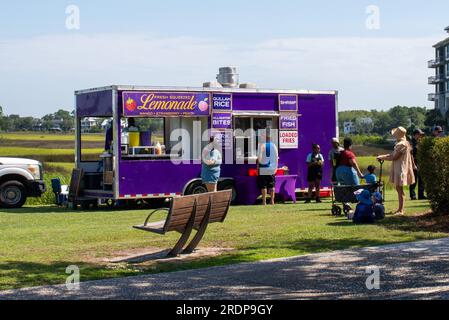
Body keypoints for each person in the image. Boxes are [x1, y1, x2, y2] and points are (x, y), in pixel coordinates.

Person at [377, 127, 415, 216]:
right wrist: (382, 156)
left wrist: (382, 158)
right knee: (399, 189)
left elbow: (394, 157)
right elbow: (392, 154)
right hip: (399, 167)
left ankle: (401, 210)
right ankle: (399, 209)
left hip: (400, 168)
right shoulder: (403, 143)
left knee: (399, 189)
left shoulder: (401, 144)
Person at [257, 131, 279, 206]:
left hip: (263, 168)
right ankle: (272, 201)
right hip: (272, 168)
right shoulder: (274, 146)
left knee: (264, 186)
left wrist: (258, 166)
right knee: (272, 185)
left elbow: (259, 157)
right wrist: (276, 167)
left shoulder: (262, 145)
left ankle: (264, 202)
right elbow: (276, 157)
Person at [410, 129, 426, 200]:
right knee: (414, 180)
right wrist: (413, 165)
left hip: (420, 162)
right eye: (419, 134)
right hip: (413, 163)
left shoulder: (418, 142)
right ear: (415, 135)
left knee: (421, 180)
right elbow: (410, 155)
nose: (420, 136)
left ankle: (421, 195)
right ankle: (413, 196)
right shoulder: (410, 143)